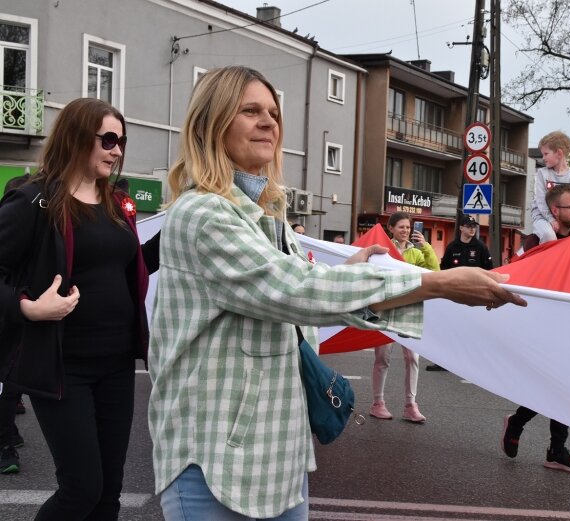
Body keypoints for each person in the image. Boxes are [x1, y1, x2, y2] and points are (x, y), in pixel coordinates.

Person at [147, 65, 525, 521]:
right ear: (211, 123)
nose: (269, 121)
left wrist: (344, 276)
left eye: (273, 111)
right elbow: (294, 289)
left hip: (279, 458)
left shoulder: (266, 216)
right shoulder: (204, 213)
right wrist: (438, 283)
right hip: (214, 464)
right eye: (250, 111)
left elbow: (291, 302)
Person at [0, 98, 160, 519]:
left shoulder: (115, 202)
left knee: (109, 493)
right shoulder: (36, 199)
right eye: (108, 139)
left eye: (122, 140)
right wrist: (28, 308)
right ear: (75, 138)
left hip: (117, 366)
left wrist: (180, 229)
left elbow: (131, 263)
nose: (117, 150)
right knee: (81, 489)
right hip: (63, 367)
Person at [500, 184, 570, 474]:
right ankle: (551, 446)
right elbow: (516, 272)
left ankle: (532, 431)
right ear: (555, 210)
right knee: (557, 385)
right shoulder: (537, 239)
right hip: (539, 322)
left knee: (560, 386)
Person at [370, 212, 440, 423]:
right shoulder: (383, 250)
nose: (405, 231)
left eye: (408, 227)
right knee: (382, 357)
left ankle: (411, 405)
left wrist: (426, 247)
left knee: (412, 357)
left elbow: (434, 272)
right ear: (390, 228)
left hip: (409, 308)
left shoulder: (416, 252)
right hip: (386, 308)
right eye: (401, 227)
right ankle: (377, 403)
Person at [427, 214, 493, 371]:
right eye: (468, 226)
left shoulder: (481, 248)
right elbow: (444, 271)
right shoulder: (452, 247)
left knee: (472, 329)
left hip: (474, 295)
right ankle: (444, 361)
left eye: (473, 226)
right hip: (454, 295)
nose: (472, 229)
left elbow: (490, 271)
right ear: (461, 228)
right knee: (449, 329)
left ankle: (472, 362)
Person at [0, 173, 31, 475]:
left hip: (18, 317)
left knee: (10, 381)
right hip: (10, 313)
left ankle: (8, 436)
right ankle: (5, 442)